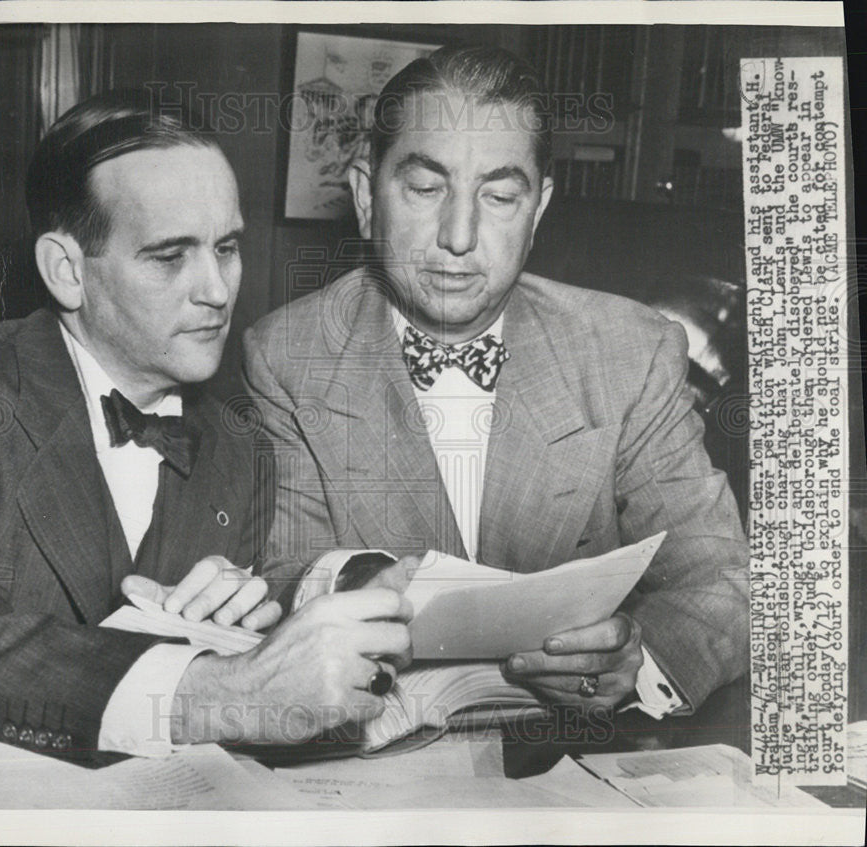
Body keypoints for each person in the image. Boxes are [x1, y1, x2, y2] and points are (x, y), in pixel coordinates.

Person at [0, 91, 410, 759]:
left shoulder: (239, 446)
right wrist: (221, 692)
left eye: (226, 247)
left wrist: (311, 598)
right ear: (67, 271)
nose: (218, 290)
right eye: (170, 256)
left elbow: (257, 609)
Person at [244, 46, 749, 718]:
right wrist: (361, 584)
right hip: (370, 758)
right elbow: (285, 573)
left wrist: (641, 658)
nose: (460, 235)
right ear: (367, 197)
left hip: (575, 757)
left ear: (537, 210)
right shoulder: (285, 355)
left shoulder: (630, 352)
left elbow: (723, 577)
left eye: (501, 195)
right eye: (426, 189)